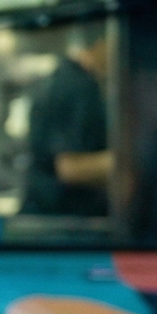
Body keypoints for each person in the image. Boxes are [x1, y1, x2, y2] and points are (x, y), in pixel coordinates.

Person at [24, 24, 115, 217]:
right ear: (100, 44)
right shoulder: (79, 87)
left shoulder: (60, 77)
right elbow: (71, 168)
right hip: (62, 217)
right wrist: (132, 163)